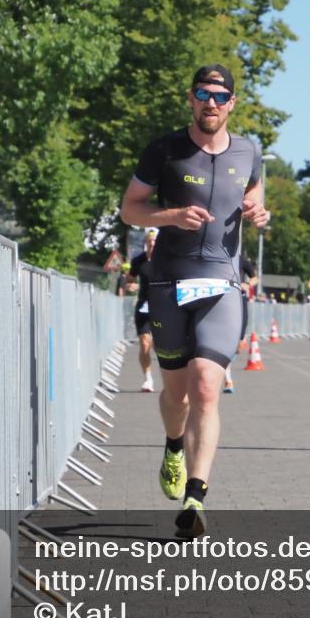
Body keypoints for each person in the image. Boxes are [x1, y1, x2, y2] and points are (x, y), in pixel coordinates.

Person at [120, 63, 268, 538]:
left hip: (222, 283)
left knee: (207, 385)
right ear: (191, 98)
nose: (212, 103)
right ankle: (172, 446)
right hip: (168, 285)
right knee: (177, 394)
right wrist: (171, 216)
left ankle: (195, 498)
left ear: (232, 104)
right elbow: (130, 208)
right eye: (204, 94)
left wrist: (259, 212)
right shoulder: (164, 149)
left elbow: (255, 198)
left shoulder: (249, 152)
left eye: (221, 96)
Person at [128, 229, 158, 392]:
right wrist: (131, 285)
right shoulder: (138, 261)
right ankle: (148, 379)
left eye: (154, 241)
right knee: (144, 343)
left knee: (159, 344)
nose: (152, 244)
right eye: (149, 241)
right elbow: (130, 279)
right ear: (145, 242)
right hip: (143, 306)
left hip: (161, 307)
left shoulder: (165, 259)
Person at [224, 253, 256, 394]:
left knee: (238, 343)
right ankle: (228, 379)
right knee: (225, 342)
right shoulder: (219, 257)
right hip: (224, 300)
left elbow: (255, 278)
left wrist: (247, 284)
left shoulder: (241, 259)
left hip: (240, 301)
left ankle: (225, 362)